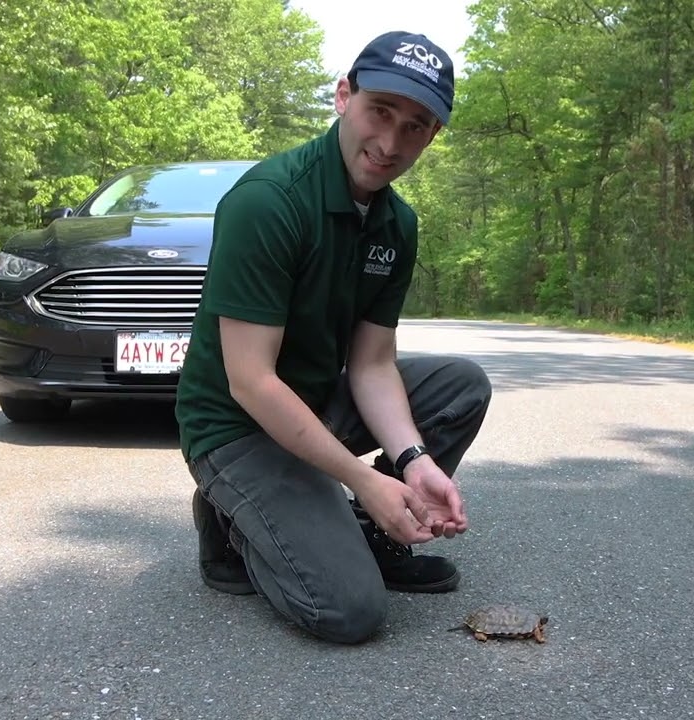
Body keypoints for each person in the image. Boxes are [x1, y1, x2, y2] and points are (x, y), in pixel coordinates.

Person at [175, 30, 492, 644]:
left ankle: (375, 536)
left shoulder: (396, 224)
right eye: (381, 111)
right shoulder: (269, 202)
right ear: (344, 96)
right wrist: (364, 481)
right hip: (235, 426)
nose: (390, 142)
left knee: (461, 385)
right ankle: (229, 515)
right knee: (346, 612)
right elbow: (251, 380)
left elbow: (373, 366)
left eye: (415, 126)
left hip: (314, 402)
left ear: (433, 135)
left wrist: (411, 462)